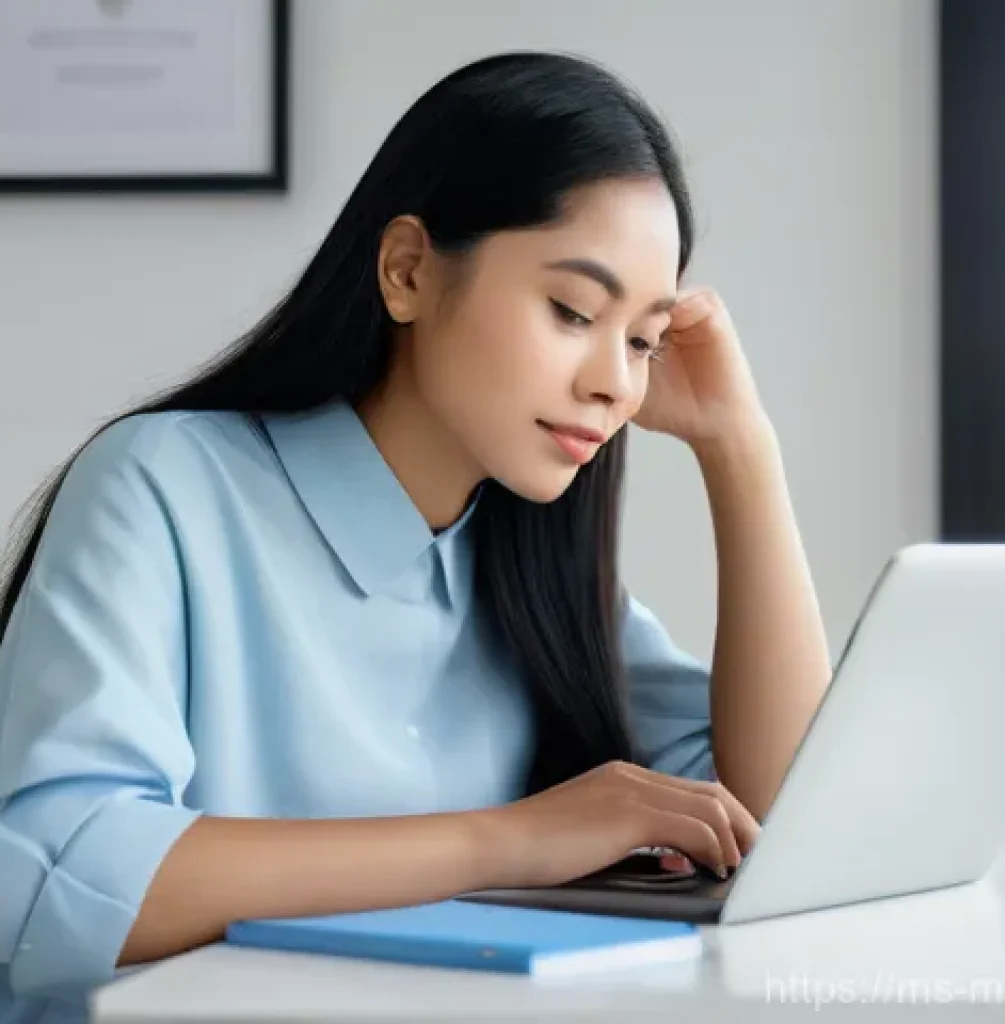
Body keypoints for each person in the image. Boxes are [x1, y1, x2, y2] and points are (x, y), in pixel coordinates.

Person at [0, 51, 830, 1021]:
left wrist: (742, 449)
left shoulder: (534, 572)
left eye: (642, 339)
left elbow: (793, 812)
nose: (616, 380)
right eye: (572, 310)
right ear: (406, 271)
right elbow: (53, 883)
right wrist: (513, 838)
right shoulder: (165, 486)